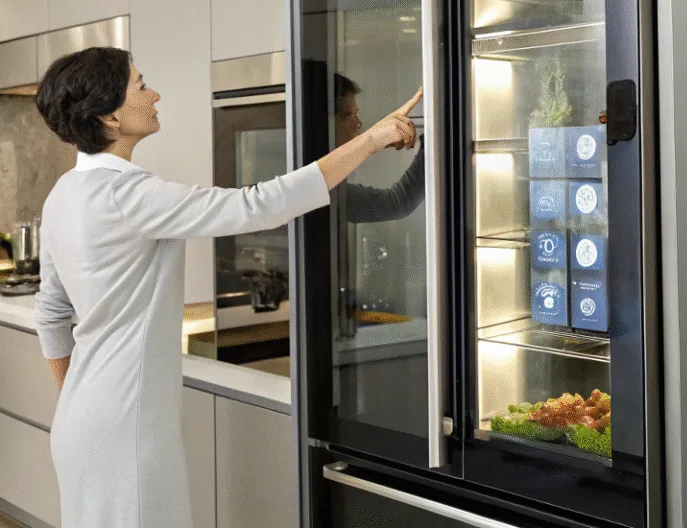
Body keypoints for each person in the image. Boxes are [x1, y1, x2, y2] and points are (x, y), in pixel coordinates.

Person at [33, 47, 421, 528]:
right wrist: (372, 139)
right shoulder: (130, 195)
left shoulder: (63, 195)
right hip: (125, 430)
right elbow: (258, 206)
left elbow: (50, 314)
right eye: (140, 85)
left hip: (81, 422)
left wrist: (80, 399)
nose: (154, 95)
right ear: (111, 115)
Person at [334, 72, 425, 223]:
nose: (358, 124)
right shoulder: (314, 193)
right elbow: (397, 203)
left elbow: (398, 204)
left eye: (356, 114)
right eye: (347, 115)